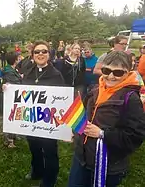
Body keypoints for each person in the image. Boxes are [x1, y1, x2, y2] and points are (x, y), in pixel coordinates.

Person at [68, 51, 145, 187]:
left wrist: (102, 134)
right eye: (106, 70)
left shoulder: (131, 98)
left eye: (118, 73)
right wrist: (75, 131)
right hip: (81, 158)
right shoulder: (95, 90)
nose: (111, 76)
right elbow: (83, 115)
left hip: (108, 165)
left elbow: (135, 136)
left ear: (128, 72)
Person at [23, 41, 65, 187]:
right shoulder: (28, 71)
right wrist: (8, 88)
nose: (40, 54)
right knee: (34, 147)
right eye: (37, 52)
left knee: (49, 151)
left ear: (49, 54)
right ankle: (37, 170)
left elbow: (61, 100)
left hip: (48, 121)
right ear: (32, 55)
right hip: (31, 119)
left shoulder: (56, 75)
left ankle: (49, 179)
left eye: (44, 51)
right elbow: (22, 93)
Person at [0, 52, 22, 148]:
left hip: (13, 98)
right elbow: (15, 84)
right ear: (15, 60)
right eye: (18, 57)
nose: (20, 58)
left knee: (14, 115)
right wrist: (21, 79)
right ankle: (9, 140)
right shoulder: (8, 71)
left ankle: (14, 135)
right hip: (8, 99)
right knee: (9, 117)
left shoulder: (12, 69)